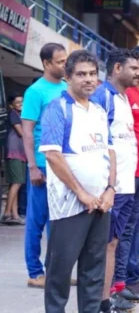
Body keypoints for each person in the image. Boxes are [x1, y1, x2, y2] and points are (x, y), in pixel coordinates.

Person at [40, 50, 116, 313]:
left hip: (101, 204)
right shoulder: (57, 108)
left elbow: (110, 152)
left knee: (93, 272)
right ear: (68, 77)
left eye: (93, 74)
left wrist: (110, 190)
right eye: (81, 74)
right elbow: (52, 155)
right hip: (69, 206)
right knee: (60, 271)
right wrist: (82, 194)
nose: (89, 79)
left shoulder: (98, 110)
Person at [89, 49, 139, 312]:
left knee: (113, 243)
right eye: (134, 67)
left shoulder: (124, 98)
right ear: (118, 68)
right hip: (111, 188)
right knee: (102, 246)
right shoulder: (102, 96)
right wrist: (107, 186)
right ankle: (96, 301)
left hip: (126, 186)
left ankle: (106, 299)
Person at [21, 42, 67, 288]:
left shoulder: (66, 88)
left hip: (61, 165)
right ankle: (34, 272)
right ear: (46, 63)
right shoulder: (35, 92)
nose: (64, 65)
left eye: (65, 60)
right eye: (59, 61)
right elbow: (27, 132)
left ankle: (55, 271)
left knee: (58, 222)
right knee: (37, 221)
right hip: (41, 165)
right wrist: (32, 167)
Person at [113, 45, 139, 302]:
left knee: (128, 232)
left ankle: (121, 283)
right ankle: (116, 286)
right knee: (118, 233)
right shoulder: (122, 94)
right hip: (124, 175)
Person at [3, 95, 26, 224]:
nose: (20, 104)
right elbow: (21, 133)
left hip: (20, 153)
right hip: (14, 152)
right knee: (17, 182)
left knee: (16, 183)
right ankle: (7, 213)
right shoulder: (13, 114)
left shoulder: (19, 114)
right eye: (17, 102)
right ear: (12, 105)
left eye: (22, 101)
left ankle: (14, 214)